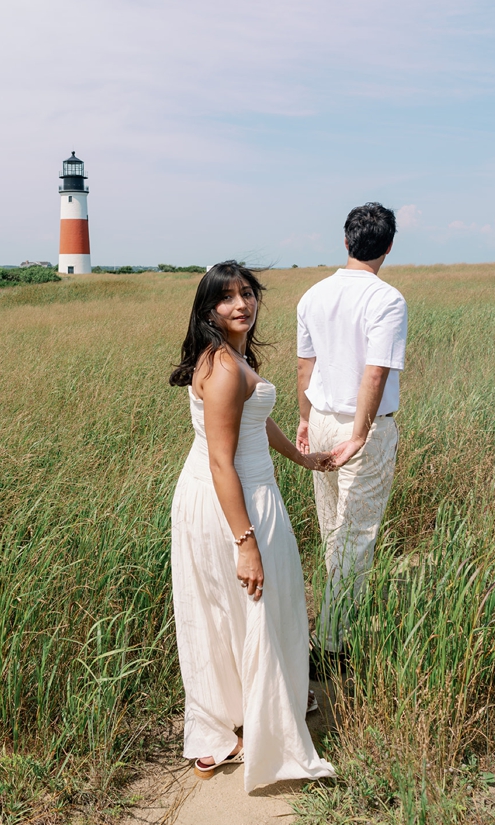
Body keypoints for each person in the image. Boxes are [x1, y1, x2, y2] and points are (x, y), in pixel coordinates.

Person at [167, 261, 335, 791]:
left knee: (243, 609)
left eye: (248, 294)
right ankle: (232, 728)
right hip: (231, 499)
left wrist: (303, 459)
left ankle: (257, 705)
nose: (242, 305)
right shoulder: (220, 367)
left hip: (252, 491)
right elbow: (222, 460)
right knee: (250, 604)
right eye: (227, 298)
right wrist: (245, 541)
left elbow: (257, 420)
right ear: (208, 310)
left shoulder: (236, 358)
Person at [296, 203, 407, 671]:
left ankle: (333, 628)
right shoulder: (387, 299)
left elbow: (306, 365)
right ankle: (333, 644)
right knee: (355, 536)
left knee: (331, 530)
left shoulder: (313, 295)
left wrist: (303, 420)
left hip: (320, 416)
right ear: (388, 246)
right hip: (362, 427)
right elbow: (374, 372)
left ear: (346, 241)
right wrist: (360, 433)